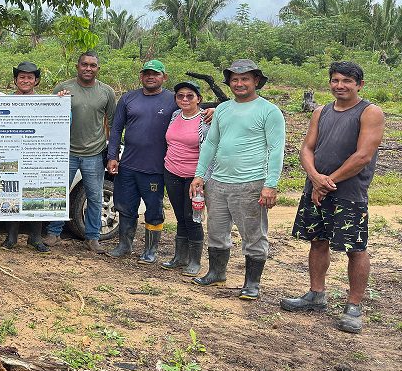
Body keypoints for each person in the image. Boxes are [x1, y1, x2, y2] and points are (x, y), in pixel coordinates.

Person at [281, 61, 384, 333]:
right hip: (315, 189)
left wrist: (327, 182)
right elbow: (307, 148)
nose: (340, 86)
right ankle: (316, 294)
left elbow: (363, 156)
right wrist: (315, 177)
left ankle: (354, 306)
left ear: (359, 85)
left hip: (349, 193)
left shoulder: (370, 112)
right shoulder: (321, 111)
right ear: (330, 83)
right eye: (336, 80)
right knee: (317, 241)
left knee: (355, 248)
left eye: (347, 81)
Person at [190, 60, 286, 300]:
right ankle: (216, 272)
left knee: (253, 234)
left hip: (251, 183)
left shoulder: (269, 111)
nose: (239, 83)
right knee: (216, 229)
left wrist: (270, 184)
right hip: (218, 182)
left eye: (245, 79)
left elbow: (276, 149)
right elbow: (211, 143)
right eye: (234, 79)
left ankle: (252, 283)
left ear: (256, 81)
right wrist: (200, 175)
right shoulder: (223, 109)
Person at [106, 60, 175, 263]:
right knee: (125, 206)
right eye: (146, 73)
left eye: (155, 73)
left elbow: (192, 113)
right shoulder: (128, 98)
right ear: (141, 76)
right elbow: (116, 128)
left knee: (154, 209)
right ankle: (124, 245)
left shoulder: (173, 100)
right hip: (128, 164)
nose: (150, 77)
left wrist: (211, 111)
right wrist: (112, 156)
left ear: (164, 77)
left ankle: (150, 249)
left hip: (155, 167)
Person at [48, 51, 117, 252]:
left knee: (95, 197)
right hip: (66, 152)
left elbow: (113, 123)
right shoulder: (63, 88)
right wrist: (59, 101)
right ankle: (54, 233)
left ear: (98, 68)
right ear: (77, 66)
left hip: (94, 154)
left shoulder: (106, 92)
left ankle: (92, 237)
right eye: (84, 64)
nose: (88, 68)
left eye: (93, 65)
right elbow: (49, 116)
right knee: (58, 193)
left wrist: (112, 153)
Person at [162, 81, 209, 274]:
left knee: (193, 217)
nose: (185, 99)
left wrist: (203, 178)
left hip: (194, 177)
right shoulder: (175, 116)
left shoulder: (205, 121)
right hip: (171, 172)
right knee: (180, 216)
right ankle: (180, 257)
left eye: (190, 95)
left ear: (199, 99)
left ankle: (195, 261)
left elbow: (209, 151)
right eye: (180, 96)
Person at [2, 61, 48, 253]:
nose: (25, 80)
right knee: (11, 192)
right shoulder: (5, 100)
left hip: (35, 154)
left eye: (30, 77)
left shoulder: (47, 102)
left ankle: (35, 237)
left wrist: (62, 102)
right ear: (15, 80)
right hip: (11, 153)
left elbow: (63, 121)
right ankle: (11, 237)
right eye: (22, 77)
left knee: (35, 192)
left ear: (36, 81)